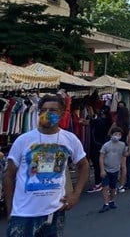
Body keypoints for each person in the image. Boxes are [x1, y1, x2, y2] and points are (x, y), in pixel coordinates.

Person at [4, 94, 90, 236]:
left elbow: (84, 165)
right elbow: (8, 176)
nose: (47, 114)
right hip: (23, 215)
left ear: (62, 114)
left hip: (54, 214)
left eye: (52, 110)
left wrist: (76, 194)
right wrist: (10, 210)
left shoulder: (70, 139)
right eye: (43, 110)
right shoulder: (23, 140)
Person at [98, 127, 128, 213]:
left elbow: (125, 154)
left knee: (113, 187)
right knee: (105, 186)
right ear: (111, 135)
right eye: (115, 134)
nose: (117, 136)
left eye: (119, 134)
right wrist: (102, 170)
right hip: (106, 169)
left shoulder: (122, 145)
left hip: (115, 169)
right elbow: (101, 157)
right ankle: (106, 203)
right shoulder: (106, 145)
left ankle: (112, 201)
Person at [87, 107, 112, 193]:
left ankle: (99, 183)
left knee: (97, 165)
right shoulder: (109, 122)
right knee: (104, 164)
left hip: (97, 145)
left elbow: (91, 123)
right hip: (104, 144)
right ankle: (104, 182)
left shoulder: (99, 122)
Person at [111, 105, 130, 191]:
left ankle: (118, 184)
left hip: (117, 146)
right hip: (126, 146)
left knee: (117, 166)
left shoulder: (116, 124)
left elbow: (109, 133)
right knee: (125, 166)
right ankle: (123, 184)